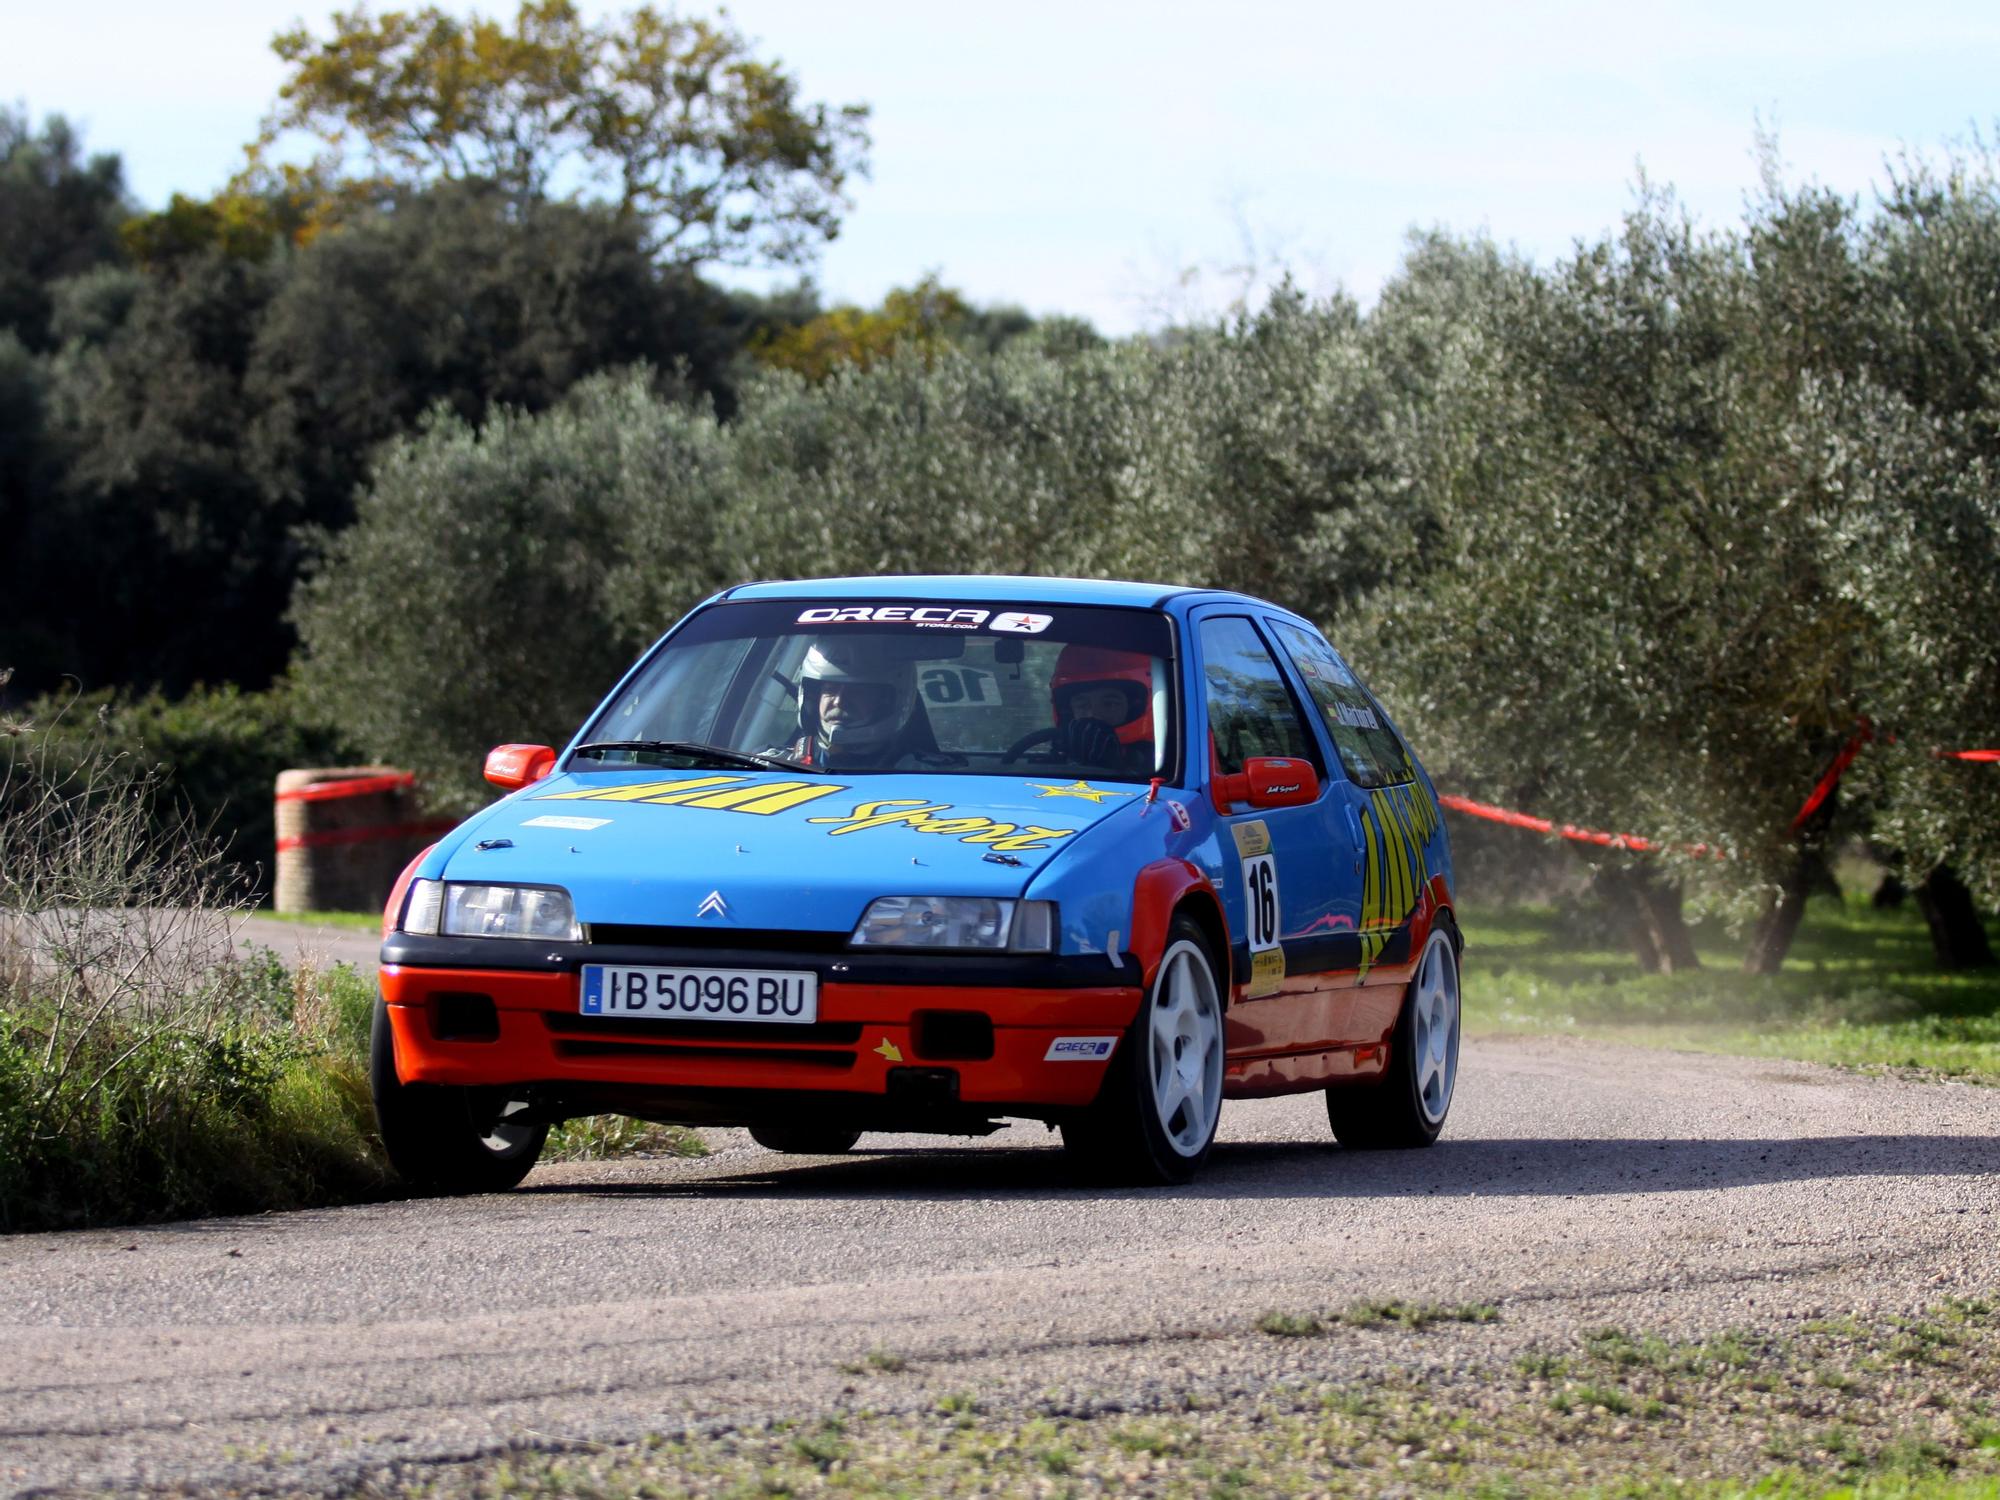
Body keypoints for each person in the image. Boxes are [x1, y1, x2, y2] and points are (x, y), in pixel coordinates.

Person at [776, 637, 931, 769]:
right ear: (813, 698)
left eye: (857, 691)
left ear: (886, 702)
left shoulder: (930, 777)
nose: (839, 701)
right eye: (830, 689)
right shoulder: (773, 767)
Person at [1047, 644, 1157, 774]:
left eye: (1110, 704)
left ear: (1134, 707)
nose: (1094, 714)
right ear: (1068, 711)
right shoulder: (1052, 763)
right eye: (1082, 705)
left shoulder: (1165, 765)